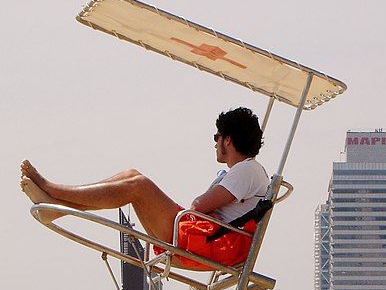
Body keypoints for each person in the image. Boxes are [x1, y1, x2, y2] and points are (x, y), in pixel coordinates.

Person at [20, 107, 269, 270]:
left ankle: (53, 190)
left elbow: (199, 206)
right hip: (205, 238)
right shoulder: (243, 172)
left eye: (217, 137)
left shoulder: (247, 170)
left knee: (139, 186)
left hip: (210, 243)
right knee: (132, 175)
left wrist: (198, 206)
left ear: (227, 140)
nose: (215, 144)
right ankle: (56, 207)